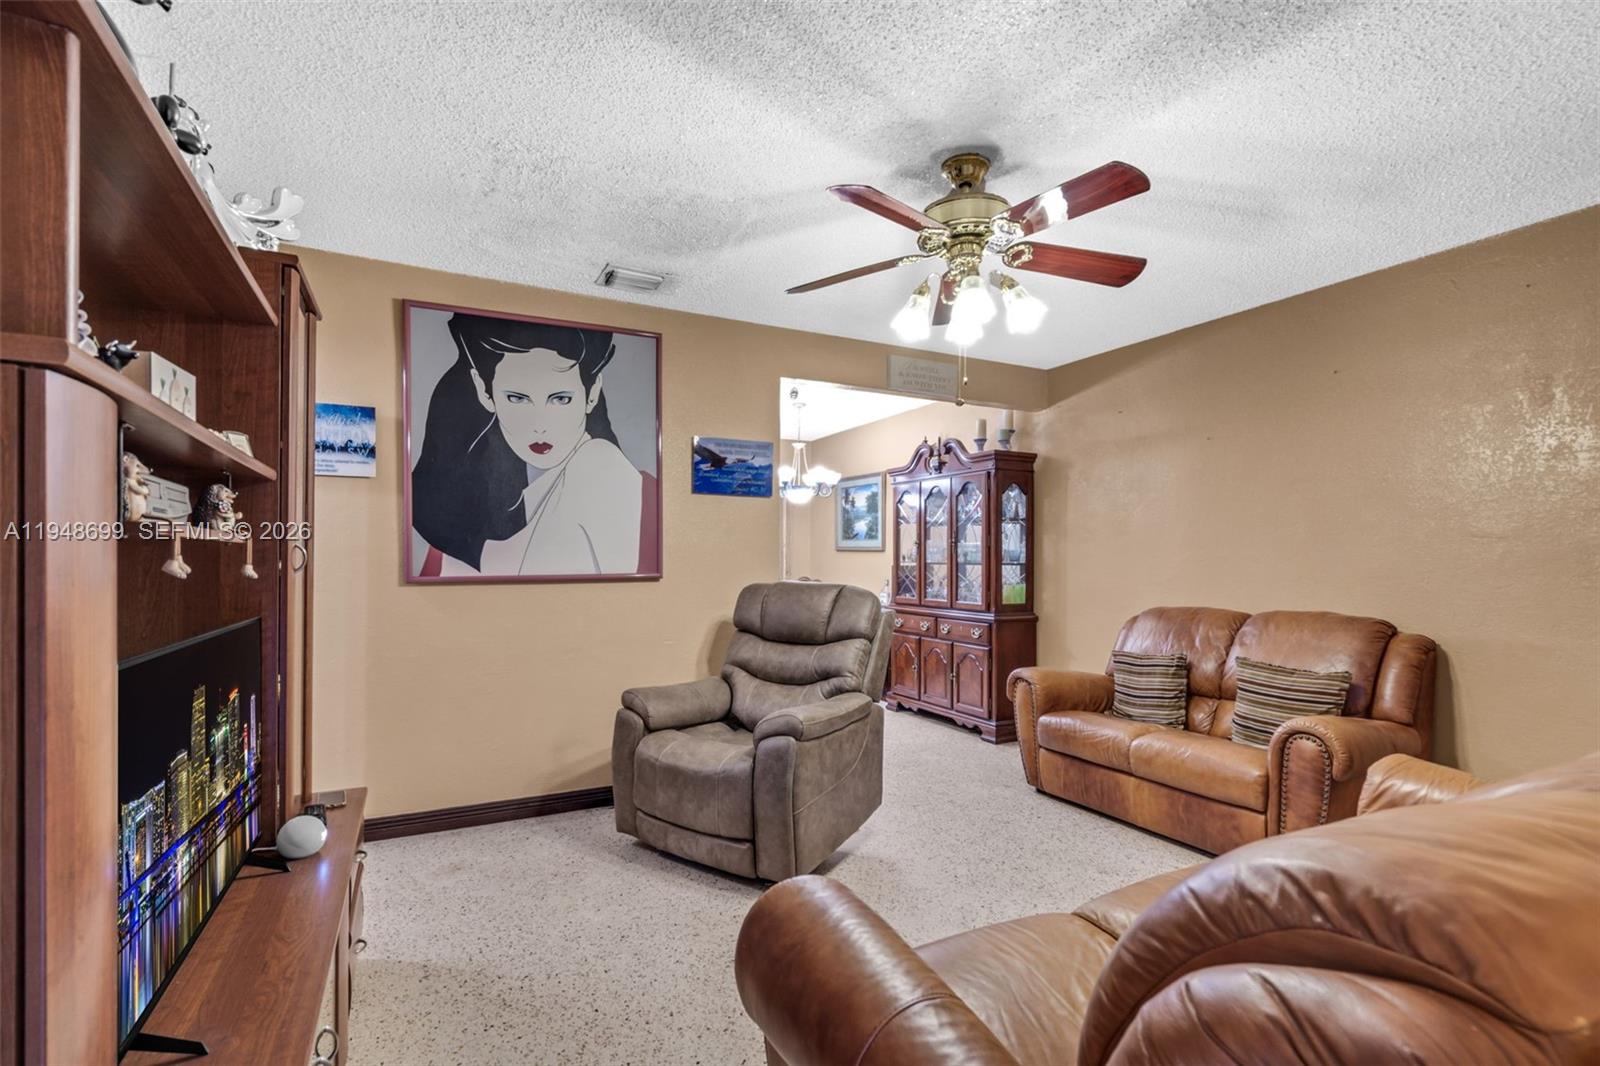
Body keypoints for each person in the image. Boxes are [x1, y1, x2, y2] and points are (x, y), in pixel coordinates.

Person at [412, 312, 655, 577]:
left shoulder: (599, 465)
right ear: (484, 391)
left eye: (560, 399)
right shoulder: (472, 504)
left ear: (592, 392)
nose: (540, 424)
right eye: (518, 398)